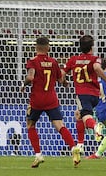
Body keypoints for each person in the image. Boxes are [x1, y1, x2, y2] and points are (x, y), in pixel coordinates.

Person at [20, 37, 81, 168]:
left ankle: (38, 155)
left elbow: (30, 77)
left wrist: (24, 85)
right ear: (48, 47)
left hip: (37, 99)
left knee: (30, 125)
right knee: (59, 125)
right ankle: (73, 147)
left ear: (36, 47)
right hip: (51, 99)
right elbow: (60, 79)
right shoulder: (53, 62)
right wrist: (66, 83)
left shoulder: (33, 61)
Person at [61, 35, 106, 157]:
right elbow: (96, 67)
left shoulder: (73, 60)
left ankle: (95, 127)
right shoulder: (95, 59)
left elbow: (62, 73)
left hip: (82, 93)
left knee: (85, 116)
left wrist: (64, 82)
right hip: (95, 94)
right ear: (92, 46)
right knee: (79, 115)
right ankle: (80, 145)